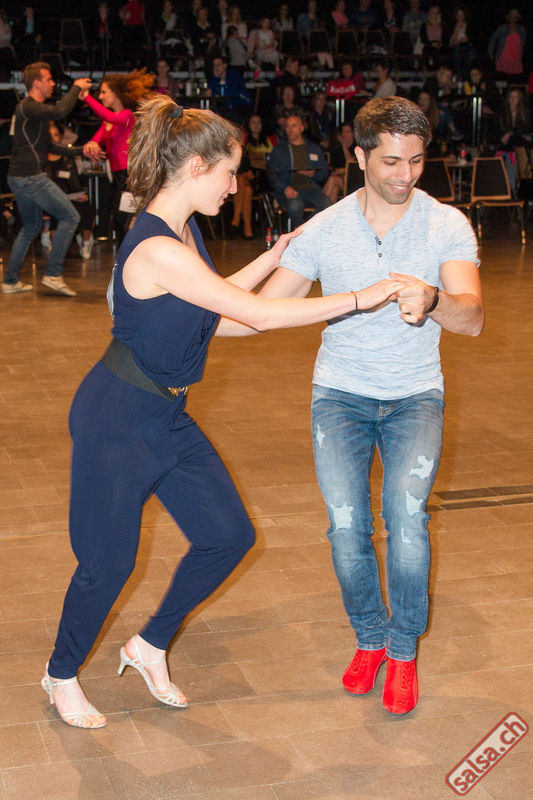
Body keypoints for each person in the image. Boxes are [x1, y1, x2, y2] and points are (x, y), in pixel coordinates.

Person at [41, 96, 401, 729]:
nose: (235, 187)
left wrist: (276, 253)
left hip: (166, 417)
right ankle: (60, 674)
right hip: (117, 418)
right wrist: (358, 298)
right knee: (108, 565)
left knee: (228, 535)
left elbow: (221, 316)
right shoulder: (156, 247)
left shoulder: (186, 232)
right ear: (196, 167)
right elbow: (254, 313)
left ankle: (149, 645)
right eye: (230, 173)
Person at [259, 96, 484, 715]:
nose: (405, 175)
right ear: (358, 156)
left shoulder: (446, 224)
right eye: (390, 161)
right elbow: (266, 312)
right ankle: (370, 638)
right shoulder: (325, 228)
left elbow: (471, 319)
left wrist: (433, 300)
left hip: (415, 395)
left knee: (407, 525)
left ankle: (403, 650)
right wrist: (182, 314)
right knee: (347, 529)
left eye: (416, 160)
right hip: (340, 395)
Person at [1, 62, 92, 296]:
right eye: (49, 79)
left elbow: (49, 146)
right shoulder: (30, 107)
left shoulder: (32, 111)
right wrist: (76, 88)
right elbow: (59, 111)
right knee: (71, 217)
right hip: (30, 177)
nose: (52, 83)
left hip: (20, 178)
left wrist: (81, 150)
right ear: (37, 83)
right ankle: (53, 274)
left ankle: (10, 281)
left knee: (31, 227)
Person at [82, 70, 154, 245]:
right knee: (120, 219)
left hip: (131, 175)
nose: (100, 96)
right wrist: (91, 145)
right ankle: (126, 255)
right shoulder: (109, 122)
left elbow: (109, 116)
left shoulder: (127, 115)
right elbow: (96, 140)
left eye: (104, 92)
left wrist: (86, 97)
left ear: (116, 93)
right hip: (117, 176)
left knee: (125, 219)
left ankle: (132, 253)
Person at [267, 113, 331, 228]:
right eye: (287, 126)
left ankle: (305, 230)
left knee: (327, 204)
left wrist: (313, 175)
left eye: (294, 126)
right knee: (296, 206)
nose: (290, 129)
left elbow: (324, 171)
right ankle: (302, 231)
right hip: (289, 187)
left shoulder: (313, 148)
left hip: (310, 187)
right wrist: (284, 188)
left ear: (302, 128)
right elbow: (272, 174)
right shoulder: (279, 150)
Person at [47, 122, 96, 260]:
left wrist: (79, 194)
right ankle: (56, 246)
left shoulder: (67, 159)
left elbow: (74, 181)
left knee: (87, 209)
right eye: (50, 135)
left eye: (56, 135)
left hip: (70, 196)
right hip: (50, 198)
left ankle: (86, 242)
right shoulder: (41, 159)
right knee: (57, 211)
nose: (53, 138)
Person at [205, 54, 252, 123]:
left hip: (239, 106)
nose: (216, 68)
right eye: (214, 65)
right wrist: (215, 79)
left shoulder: (234, 76)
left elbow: (230, 94)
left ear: (225, 65)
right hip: (225, 109)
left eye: (218, 65)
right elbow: (209, 94)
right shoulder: (214, 79)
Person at [488, 8, 526, 81]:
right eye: (511, 16)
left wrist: (521, 54)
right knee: (502, 77)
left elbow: (523, 43)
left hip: (516, 57)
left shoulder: (521, 29)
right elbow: (493, 38)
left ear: (518, 18)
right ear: (509, 18)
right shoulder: (502, 28)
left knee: (515, 78)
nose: (513, 18)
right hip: (503, 56)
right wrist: (490, 52)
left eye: (515, 17)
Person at [322, 121, 356, 203]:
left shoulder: (357, 148)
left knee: (333, 180)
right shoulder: (336, 150)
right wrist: (343, 170)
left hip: (353, 181)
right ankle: (327, 210)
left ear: (353, 134)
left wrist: (344, 147)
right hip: (339, 180)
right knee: (334, 189)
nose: (344, 135)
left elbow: (352, 166)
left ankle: (320, 205)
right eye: (343, 132)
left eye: (347, 132)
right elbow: (332, 170)